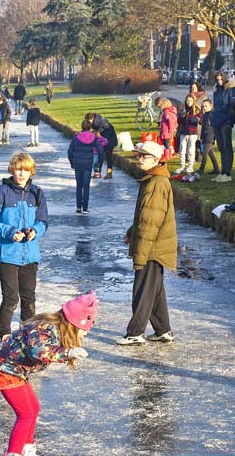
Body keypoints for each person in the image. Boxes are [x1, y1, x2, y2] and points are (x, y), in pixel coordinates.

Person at [0, 291, 97, 456]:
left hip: (13, 369)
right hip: (4, 368)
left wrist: (66, 352)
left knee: (33, 409)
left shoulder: (56, 328)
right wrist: (67, 352)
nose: (86, 333)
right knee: (26, 414)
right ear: (74, 323)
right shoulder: (46, 327)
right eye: (85, 328)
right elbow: (37, 351)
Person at [0, 153, 49, 339]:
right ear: (12, 169)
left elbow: (43, 221)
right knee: (11, 297)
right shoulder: (0, 192)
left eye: (26, 170)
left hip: (30, 255)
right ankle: (4, 333)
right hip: (7, 254)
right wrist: (10, 232)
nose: (22, 174)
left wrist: (35, 231)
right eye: (19, 169)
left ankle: (28, 333)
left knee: (28, 298)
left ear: (31, 172)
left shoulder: (37, 193)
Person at [116, 142, 177, 346]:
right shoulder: (152, 180)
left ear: (155, 160)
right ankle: (162, 330)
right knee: (154, 288)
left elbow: (151, 222)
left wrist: (141, 254)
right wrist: (132, 233)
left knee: (142, 288)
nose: (139, 159)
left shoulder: (157, 183)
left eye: (144, 156)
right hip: (152, 244)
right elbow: (144, 217)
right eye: (139, 155)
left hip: (152, 246)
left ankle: (135, 332)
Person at [67, 120, 103, 214]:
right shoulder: (93, 138)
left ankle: (78, 207)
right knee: (86, 186)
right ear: (90, 128)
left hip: (78, 163)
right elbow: (100, 151)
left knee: (79, 185)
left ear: (82, 127)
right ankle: (85, 208)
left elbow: (70, 152)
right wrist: (99, 164)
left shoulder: (76, 137)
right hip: (88, 164)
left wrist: (72, 162)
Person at [211, 72, 235, 182]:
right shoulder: (216, 89)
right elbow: (215, 105)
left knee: (227, 147)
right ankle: (222, 172)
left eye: (221, 79)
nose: (219, 81)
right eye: (217, 79)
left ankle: (227, 173)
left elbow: (232, 105)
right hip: (216, 120)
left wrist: (230, 121)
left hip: (225, 121)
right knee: (221, 148)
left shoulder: (230, 90)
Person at [85, 112, 118, 179]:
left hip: (110, 140)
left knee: (108, 156)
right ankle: (97, 172)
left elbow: (108, 128)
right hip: (103, 140)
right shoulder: (96, 123)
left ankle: (109, 173)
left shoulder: (102, 121)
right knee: (100, 155)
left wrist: (99, 132)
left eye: (89, 121)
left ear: (92, 118)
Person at [179, 96, 201, 175]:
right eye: (187, 101)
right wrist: (182, 116)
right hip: (183, 132)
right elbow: (179, 121)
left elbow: (201, 120)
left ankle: (190, 166)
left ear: (193, 101)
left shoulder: (196, 110)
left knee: (191, 150)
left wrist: (195, 119)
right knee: (182, 150)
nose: (189, 102)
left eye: (190, 101)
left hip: (192, 132)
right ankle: (182, 165)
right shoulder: (183, 110)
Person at [196, 99, 219, 175]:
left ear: (210, 106)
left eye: (206, 106)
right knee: (211, 154)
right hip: (205, 136)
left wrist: (214, 137)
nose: (204, 108)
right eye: (203, 106)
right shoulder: (205, 115)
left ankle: (201, 169)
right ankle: (216, 169)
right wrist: (202, 137)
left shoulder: (211, 115)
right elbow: (204, 127)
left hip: (210, 136)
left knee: (204, 153)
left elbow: (213, 127)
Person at [156, 98, 178, 162]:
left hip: (166, 131)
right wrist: (174, 128)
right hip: (168, 131)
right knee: (167, 143)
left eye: (161, 106)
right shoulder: (172, 112)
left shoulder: (166, 113)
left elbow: (170, 121)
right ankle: (169, 155)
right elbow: (175, 121)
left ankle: (167, 156)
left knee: (166, 144)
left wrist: (171, 130)